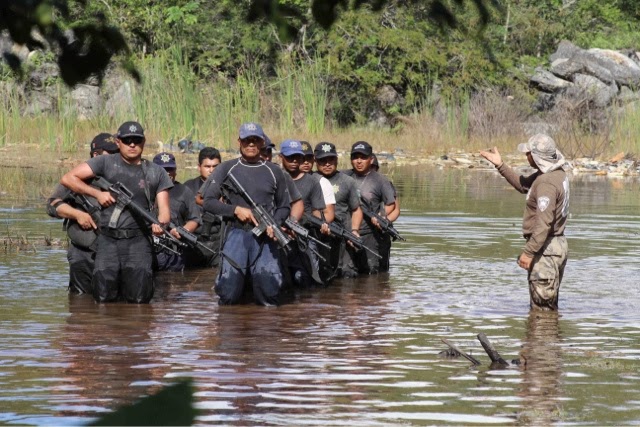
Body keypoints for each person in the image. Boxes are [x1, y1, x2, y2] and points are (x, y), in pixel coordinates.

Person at [60, 121, 173, 303]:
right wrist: (97, 193)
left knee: (139, 299)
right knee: (103, 297)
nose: (132, 145)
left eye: (137, 140)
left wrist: (161, 224)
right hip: (108, 241)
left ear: (144, 142)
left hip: (139, 241)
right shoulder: (104, 162)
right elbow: (68, 178)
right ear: (118, 142)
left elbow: (165, 211)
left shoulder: (156, 172)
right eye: (127, 140)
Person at [202, 122, 291, 306]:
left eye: (255, 140)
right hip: (236, 233)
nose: (251, 144)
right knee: (228, 293)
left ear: (262, 142)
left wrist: (274, 224)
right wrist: (234, 210)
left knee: (269, 293)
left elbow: (284, 206)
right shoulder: (226, 169)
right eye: (246, 140)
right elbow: (208, 202)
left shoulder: (275, 172)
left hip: (266, 236)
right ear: (239, 142)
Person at [479, 133, 569, 311]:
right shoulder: (555, 174)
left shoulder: (546, 183)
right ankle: (547, 337)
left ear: (536, 157)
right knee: (548, 305)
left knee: (542, 309)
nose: (525, 155)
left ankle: (540, 338)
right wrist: (500, 165)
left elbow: (544, 224)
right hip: (556, 245)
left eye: (528, 153)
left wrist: (528, 253)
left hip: (546, 249)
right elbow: (523, 185)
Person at [46, 133, 119, 295]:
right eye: (111, 153)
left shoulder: (122, 176)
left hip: (115, 253)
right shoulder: (76, 179)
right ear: (96, 155)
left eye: (117, 153)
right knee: (80, 306)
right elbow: (52, 205)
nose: (115, 157)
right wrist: (77, 215)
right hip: (83, 254)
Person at [279, 139, 329, 286]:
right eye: (290, 157)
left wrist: (323, 224)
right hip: (278, 233)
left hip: (305, 236)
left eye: (298, 157)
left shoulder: (313, 182)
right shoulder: (275, 177)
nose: (294, 161)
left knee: (306, 279)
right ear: (281, 157)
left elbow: (318, 211)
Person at [344, 141, 396, 275]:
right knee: (346, 273)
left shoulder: (381, 181)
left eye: (363, 157)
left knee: (371, 275)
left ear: (371, 159)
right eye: (355, 157)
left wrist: (382, 216)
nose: (359, 161)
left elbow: (392, 205)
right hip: (346, 233)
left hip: (370, 236)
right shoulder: (343, 176)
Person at [314, 141, 363, 279]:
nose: (327, 163)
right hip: (318, 234)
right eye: (323, 160)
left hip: (343, 234)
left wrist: (354, 231)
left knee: (347, 275)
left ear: (337, 159)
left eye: (331, 159)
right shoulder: (310, 180)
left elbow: (356, 210)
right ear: (315, 161)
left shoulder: (348, 182)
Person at [152, 152, 201, 272]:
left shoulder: (184, 191)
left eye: (170, 169)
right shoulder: (145, 190)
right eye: (163, 170)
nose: (167, 173)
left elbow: (195, 219)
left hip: (174, 251)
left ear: (175, 170)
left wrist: (182, 231)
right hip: (148, 250)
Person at [185, 147, 223, 268]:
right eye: (207, 166)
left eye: (215, 166)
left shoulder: (228, 188)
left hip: (219, 243)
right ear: (199, 167)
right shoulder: (188, 187)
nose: (211, 170)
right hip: (195, 243)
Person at [371, 153, 401, 272]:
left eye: (373, 167)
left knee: (382, 269)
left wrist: (385, 220)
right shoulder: (352, 182)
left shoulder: (385, 184)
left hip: (381, 231)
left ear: (377, 168)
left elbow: (396, 210)